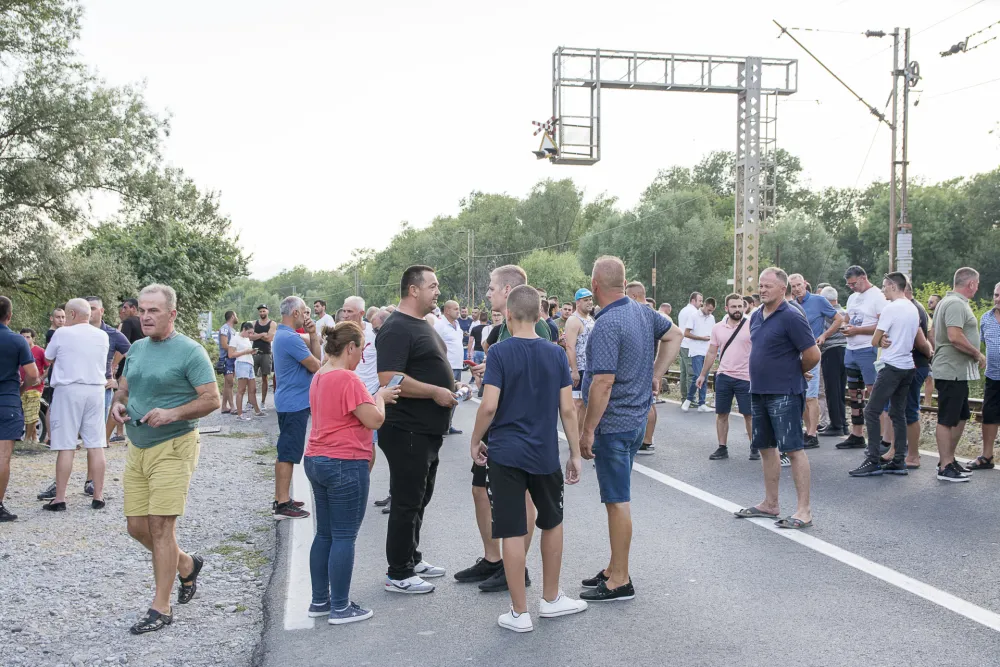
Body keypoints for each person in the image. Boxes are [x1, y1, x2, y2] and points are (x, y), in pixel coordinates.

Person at [469, 285, 586, 632]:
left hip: (505, 453)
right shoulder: (555, 354)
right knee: (551, 521)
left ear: (508, 315)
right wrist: (575, 453)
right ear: (540, 315)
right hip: (544, 453)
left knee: (512, 529)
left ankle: (519, 613)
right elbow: (567, 409)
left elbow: (489, 405)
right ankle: (551, 599)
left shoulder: (499, 353)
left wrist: (476, 440)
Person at [110, 284, 220, 635]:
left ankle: (161, 607)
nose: (145, 316)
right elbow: (124, 387)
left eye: (153, 311)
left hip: (174, 446)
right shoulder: (137, 348)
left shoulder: (190, 351)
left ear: (172, 314)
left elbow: (212, 399)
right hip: (137, 448)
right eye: (142, 310)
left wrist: (173, 413)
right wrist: (118, 404)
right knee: (136, 527)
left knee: (160, 527)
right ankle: (185, 563)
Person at [579, 256, 681, 602]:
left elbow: (603, 382)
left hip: (614, 424)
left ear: (594, 285)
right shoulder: (641, 311)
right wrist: (656, 373)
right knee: (616, 499)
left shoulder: (607, 324)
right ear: (623, 283)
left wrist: (587, 430)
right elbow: (675, 334)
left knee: (617, 501)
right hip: (636, 418)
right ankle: (613, 567)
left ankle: (620, 579)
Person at [458, 265, 550, 593]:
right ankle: (493, 558)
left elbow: (532, 379)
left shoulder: (533, 327)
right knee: (480, 490)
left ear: (508, 291)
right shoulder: (501, 331)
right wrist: (489, 371)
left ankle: (515, 567)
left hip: (512, 427)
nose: (487, 293)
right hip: (502, 425)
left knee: (521, 498)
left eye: (491, 287)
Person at [305, 321, 400, 625]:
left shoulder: (320, 374)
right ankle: (341, 607)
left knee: (324, 534)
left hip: (317, 458)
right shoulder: (348, 378)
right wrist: (381, 397)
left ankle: (320, 600)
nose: (362, 357)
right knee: (344, 536)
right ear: (350, 347)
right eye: (362, 350)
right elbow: (374, 420)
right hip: (344, 461)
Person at [376, 265, 460, 594]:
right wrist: (435, 391)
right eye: (432, 286)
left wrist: (452, 388)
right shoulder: (397, 327)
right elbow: (389, 379)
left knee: (420, 496)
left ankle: (411, 556)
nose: (438, 291)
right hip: (406, 428)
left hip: (426, 430)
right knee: (407, 500)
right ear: (413, 290)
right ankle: (399, 572)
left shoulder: (422, 323)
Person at [735, 267, 819, 529]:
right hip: (759, 390)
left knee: (792, 449)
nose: (762, 290)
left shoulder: (792, 316)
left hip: (785, 392)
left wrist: (796, 370)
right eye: (760, 285)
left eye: (768, 286)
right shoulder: (756, 316)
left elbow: (813, 354)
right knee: (765, 447)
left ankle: (804, 510)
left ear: (783, 289)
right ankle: (771, 504)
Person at [848, 272, 924, 477]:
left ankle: (873, 459)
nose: (882, 291)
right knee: (898, 413)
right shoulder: (913, 308)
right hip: (907, 366)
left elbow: (874, 340)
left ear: (893, 286)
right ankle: (899, 460)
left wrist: (880, 340)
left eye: (884, 286)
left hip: (891, 365)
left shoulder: (891, 308)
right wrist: (883, 339)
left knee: (871, 411)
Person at [42, 298, 109, 511]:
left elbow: (48, 356)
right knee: (96, 443)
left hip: (69, 389)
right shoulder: (102, 335)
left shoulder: (62, 333)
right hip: (95, 389)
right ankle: (98, 495)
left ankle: (60, 498)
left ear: (71, 314)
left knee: (66, 444)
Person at [931, 268, 985, 482]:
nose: (977, 288)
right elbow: (954, 336)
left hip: (957, 371)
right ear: (971, 284)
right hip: (950, 370)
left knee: (961, 415)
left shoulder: (950, 302)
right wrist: (977, 353)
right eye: (977, 284)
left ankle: (949, 459)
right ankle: (944, 466)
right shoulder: (955, 303)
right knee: (947, 418)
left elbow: (935, 334)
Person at [272, 296, 321, 519]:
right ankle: (282, 504)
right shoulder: (290, 338)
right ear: (295, 313)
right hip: (293, 403)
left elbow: (314, 360)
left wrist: (313, 335)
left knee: (286, 450)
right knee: (288, 453)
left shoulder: (284, 334)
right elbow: (316, 365)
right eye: (304, 311)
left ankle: (281, 498)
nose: (306, 315)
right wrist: (313, 338)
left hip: (290, 401)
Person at [836, 266, 888, 451]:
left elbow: (883, 324)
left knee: (874, 392)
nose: (852, 287)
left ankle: (881, 437)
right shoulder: (852, 297)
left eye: (854, 283)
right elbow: (846, 318)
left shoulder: (878, 296)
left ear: (863, 278)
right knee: (854, 393)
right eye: (849, 285)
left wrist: (857, 330)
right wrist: (845, 326)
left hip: (868, 348)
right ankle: (857, 434)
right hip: (851, 349)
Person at [788, 274, 842, 450]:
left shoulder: (818, 300)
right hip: (794, 354)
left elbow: (839, 319)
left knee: (811, 395)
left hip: (811, 352)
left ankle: (812, 434)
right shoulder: (790, 304)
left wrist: (824, 335)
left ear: (805, 284)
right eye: (793, 286)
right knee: (801, 394)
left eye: (799, 285)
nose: (797, 289)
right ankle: (807, 431)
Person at [697, 294, 753, 461]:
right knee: (722, 413)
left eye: (740, 306)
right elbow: (711, 352)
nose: (737, 310)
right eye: (734, 306)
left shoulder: (751, 325)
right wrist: (703, 374)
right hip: (724, 376)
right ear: (726, 308)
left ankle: (755, 446)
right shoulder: (718, 328)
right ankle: (722, 447)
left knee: (749, 414)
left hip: (746, 377)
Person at [0, 296, 39, 522]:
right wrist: (21, 389)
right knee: (3, 457)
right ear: (9, 316)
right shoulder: (17, 341)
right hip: (7, 401)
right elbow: (33, 374)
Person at [625, 282, 660, 453]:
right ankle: (646, 439)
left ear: (633, 296)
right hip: (648, 364)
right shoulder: (652, 314)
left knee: (648, 404)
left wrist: (655, 371)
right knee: (649, 403)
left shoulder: (644, 313)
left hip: (643, 365)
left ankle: (646, 440)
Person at [970, 281, 1000, 470]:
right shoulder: (986, 318)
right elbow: (979, 344)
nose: (998, 299)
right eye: (996, 295)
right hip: (993, 376)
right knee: (989, 415)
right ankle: (987, 456)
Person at [564, 288, 595, 443]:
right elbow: (570, 346)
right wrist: (574, 370)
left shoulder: (590, 319)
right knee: (577, 404)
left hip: (590, 368)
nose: (589, 302)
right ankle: (574, 439)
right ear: (578, 302)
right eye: (585, 300)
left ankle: (580, 436)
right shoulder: (573, 320)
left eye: (590, 299)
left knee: (585, 404)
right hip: (580, 368)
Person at [818, 286, 849, 437]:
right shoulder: (844, 312)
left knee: (831, 389)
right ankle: (843, 423)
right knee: (840, 389)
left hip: (831, 352)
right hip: (845, 351)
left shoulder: (827, 315)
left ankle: (836, 424)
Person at [434, 299, 466, 435]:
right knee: (445, 396)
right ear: (447, 310)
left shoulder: (457, 325)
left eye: (458, 309)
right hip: (447, 366)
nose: (458, 311)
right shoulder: (440, 325)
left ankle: (448, 424)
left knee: (455, 396)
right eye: (456, 309)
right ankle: (440, 425)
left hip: (458, 366)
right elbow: (435, 345)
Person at [681, 297, 716, 412]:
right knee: (697, 376)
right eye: (709, 310)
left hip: (708, 351)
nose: (710, 312)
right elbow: (686, 333)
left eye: (712, 311)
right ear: (704, 305)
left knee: (704, 377)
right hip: (696, 350)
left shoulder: (712, 318)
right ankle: (688, 399)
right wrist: (701, 338)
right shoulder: (694, 316)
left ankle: (702, 403)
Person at [229, 322, 262, 421]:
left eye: (252, 333)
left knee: (253, 389)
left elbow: (247, 350)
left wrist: (252, 351)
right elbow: (231, 354)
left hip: (249, 363)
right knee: (241, 389)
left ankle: (257, 411)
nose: (250, 335)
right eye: (249, 332)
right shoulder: (235, 339)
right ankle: (240, 414)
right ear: (243, 329)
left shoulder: (247, 339)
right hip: (241, 363)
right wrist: (245, 352)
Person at [19, 329, 46, 443]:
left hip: (35, 387)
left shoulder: (39, 351)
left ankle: (26, 439)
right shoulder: (19, 350)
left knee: (32, 412)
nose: (25, 339)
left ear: (33, 338)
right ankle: (35, 438)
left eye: (28, 337)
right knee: (28, 413)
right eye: (23, 337)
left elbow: (50, 365)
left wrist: (41, 378)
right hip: (21, 386)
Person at [676, 293, 702, 403]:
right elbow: (696, 330)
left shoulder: (683, 310)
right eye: (700, 301)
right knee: (692, 374)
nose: (701, 303)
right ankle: (690, 399)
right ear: (693, 300)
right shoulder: (694, 312)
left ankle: (684, 398)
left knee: (684, 373)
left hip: (683, 344)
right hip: (690, 346)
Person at [250, 305, 276, 408]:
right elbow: (250, 337)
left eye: (263, 311)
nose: (262, 313)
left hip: (266, 353)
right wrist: (262, 335)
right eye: (260, 311)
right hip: (255, 352)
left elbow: (269, 338)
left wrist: (257, 335)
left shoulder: (272, 323)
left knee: (264, 377)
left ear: (267, 311)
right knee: (251, 377)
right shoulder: (254, 323)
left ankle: (263, 402)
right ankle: (250, 401)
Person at [923, 294, 943, 407]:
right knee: (929, 377)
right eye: (928, 301)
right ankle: (927, 403)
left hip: (937, 351)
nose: (929, 304)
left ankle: (929, 402)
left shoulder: (941, 317)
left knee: (933, 377)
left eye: (932, 302)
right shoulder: (929, 317)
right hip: (929, 351)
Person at [218, 311, 238, 415]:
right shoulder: (225, 328)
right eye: (236, 315)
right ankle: (233, 407)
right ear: (232, 316)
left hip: (232, 358)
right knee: (230, 382)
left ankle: (224, 407)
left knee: (227, 383)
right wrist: (234, 351)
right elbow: (224, 344)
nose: (237, 317)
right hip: (226, 358)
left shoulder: (233, 330)